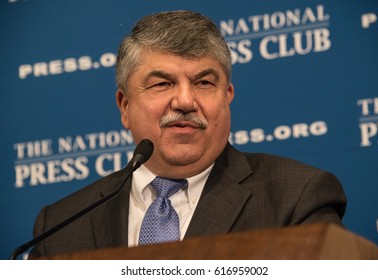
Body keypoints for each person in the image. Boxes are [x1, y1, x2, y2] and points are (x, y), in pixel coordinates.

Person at [28, 10, 347, 258]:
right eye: (162, 83)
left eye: (204, 83)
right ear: (125, 106)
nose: (184, 101)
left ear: (227, 97)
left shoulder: (296, 198)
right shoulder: (59, 226)